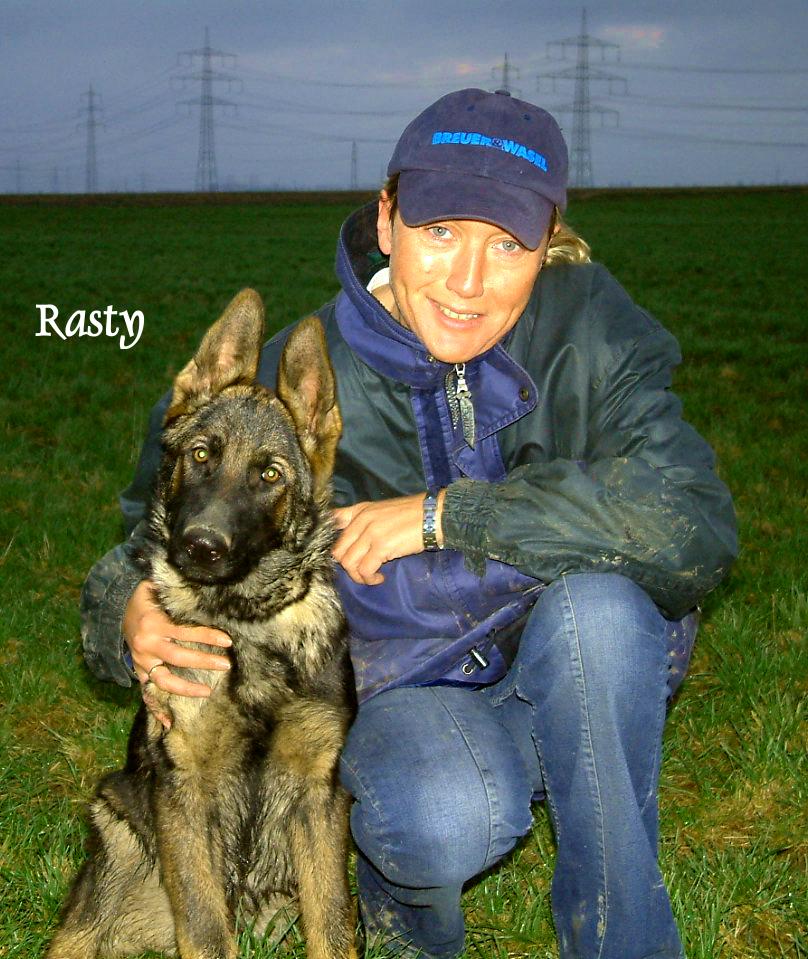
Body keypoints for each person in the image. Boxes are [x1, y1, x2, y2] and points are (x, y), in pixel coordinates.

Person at [81, 88, 737, 959]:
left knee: (603, 615)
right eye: (441, 232)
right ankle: (407, 914)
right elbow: (150, 525)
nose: (468, 280)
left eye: (506, 245)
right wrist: (124, 609)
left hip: (586, 672)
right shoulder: (292, 385)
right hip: (417, 691)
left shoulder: (594, 331)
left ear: (549, 243)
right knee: (435, 811)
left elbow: (693, 520)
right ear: (387, 220)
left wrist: (445, 516)